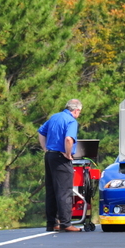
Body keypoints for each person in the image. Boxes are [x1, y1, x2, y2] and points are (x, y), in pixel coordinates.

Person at [38, 99, 83, 232]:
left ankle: (52, 223)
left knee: (51, 190)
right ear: (76, 110)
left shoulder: (54, 117)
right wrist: (68, 154)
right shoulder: (71, 121)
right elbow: (68, 139)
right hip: (61, 157)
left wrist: (45, 149)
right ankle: (66, 223)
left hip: (50, 156)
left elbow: (41, 132)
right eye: (80, 112)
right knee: (64, 191)